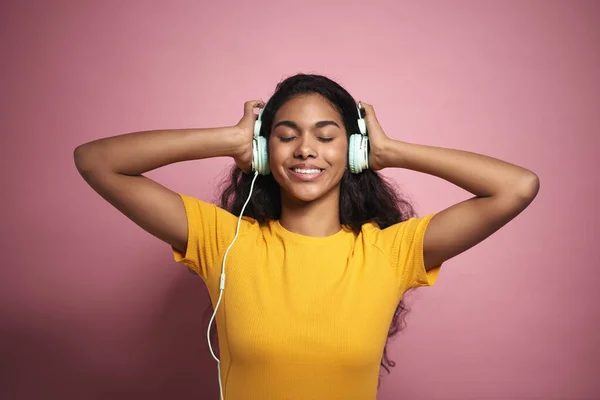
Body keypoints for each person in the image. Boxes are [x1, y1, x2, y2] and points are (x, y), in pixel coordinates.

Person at [74, 73, 540, 400]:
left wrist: (393, 151)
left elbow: (516, 187)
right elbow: (96, 160)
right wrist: (228, 140)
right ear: (263, 149)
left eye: (326, 135)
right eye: (285, 135)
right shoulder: (224, 240)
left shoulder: (389, 251)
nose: (305, 149)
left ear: (355, 150)